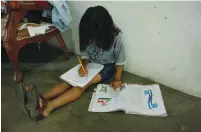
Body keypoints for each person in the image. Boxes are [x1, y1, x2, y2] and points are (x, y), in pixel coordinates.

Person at [18, 5, 126, 121]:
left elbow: (120, 62)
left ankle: (49, 106)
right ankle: (39, 98)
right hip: (91, 64)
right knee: (68, 81)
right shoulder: (87, 33)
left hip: (107, 68)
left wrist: (117, 79)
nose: (92, 38)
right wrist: (83, 65)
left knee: (81, 84)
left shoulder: (115, 38)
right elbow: (85, 56)